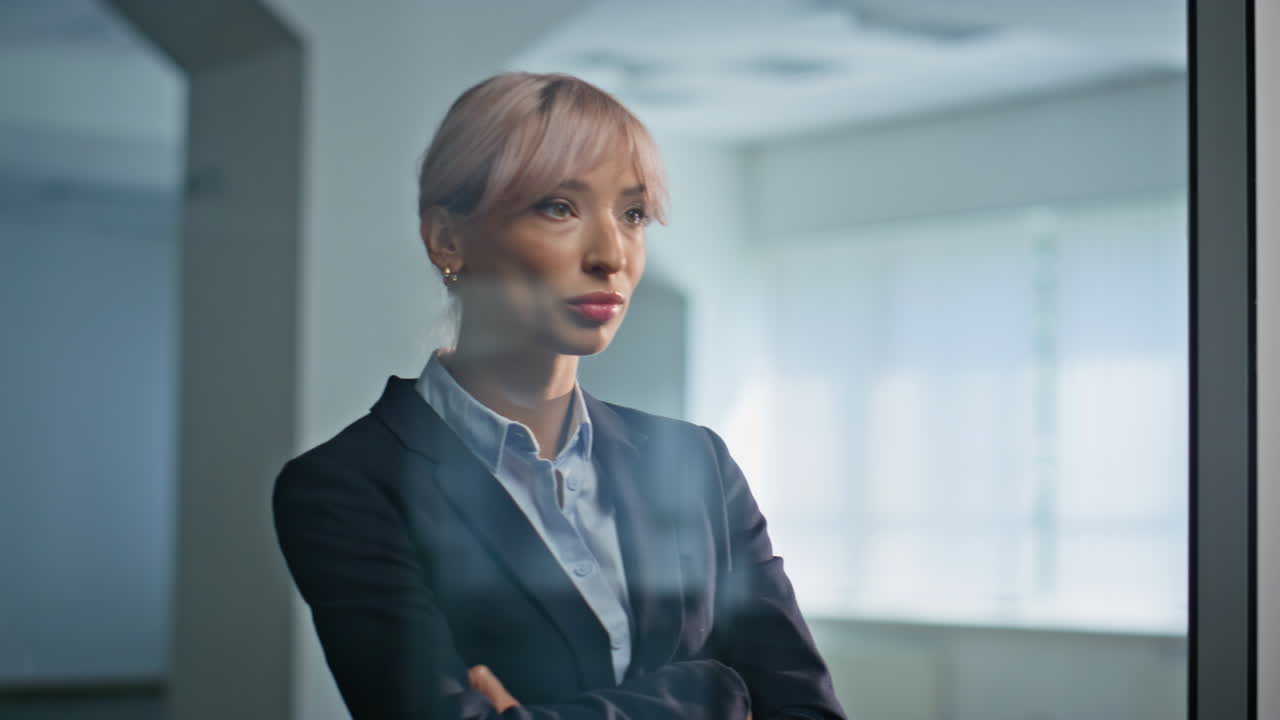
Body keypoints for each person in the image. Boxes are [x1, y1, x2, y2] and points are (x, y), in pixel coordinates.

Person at [272, 71, 846, 720]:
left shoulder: (697, 462)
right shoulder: (346, 485)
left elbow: (806, 709)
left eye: (632, 214)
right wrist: (712, 691)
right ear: (447, 239)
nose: (611, 255)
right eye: (558, 207)